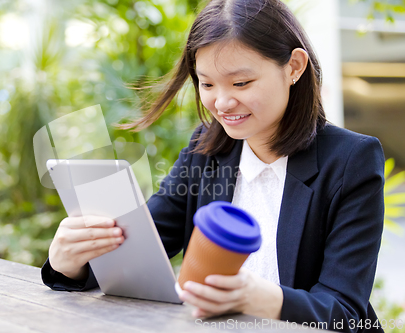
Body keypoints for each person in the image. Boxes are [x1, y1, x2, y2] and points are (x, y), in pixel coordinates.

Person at [41, 0, 385, 332]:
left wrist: (266, 300)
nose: (221, 102)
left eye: (241, 83)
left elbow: (346, 313)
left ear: (294, 67)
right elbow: (142, 251)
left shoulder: (352, 160)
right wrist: (70, 262)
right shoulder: (205, 148)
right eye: (206, 83)